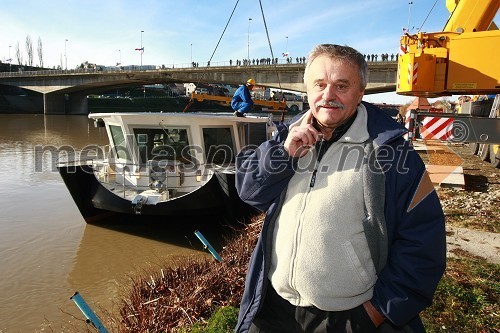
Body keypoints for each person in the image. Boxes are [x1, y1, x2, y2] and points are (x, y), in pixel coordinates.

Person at [234, 44, 446, 332]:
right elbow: (249, 192)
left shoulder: (393, 154)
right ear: (307, 90)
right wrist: (283, 155)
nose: (328, 95)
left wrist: (377, 312)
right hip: (273, 307)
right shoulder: (286, 136)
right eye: (319, 84)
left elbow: (424, 242)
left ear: (361, 93)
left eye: (341, 86)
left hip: (346, 317)